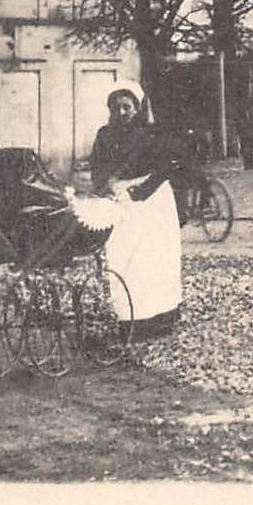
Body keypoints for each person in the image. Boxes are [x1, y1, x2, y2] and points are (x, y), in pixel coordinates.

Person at [88, 80, 186, 336]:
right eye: (116, 108)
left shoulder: (151, 134)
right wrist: (104, 185)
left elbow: (167, 166)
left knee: (154, 259)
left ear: (137, 108)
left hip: (152, 202)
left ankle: (162, 316)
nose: (121, 114)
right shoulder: (104, 135)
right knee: (123, 258)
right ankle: (131, 319)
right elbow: (96, 166)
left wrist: (143, 191)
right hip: (120, 201)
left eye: (126, 108)